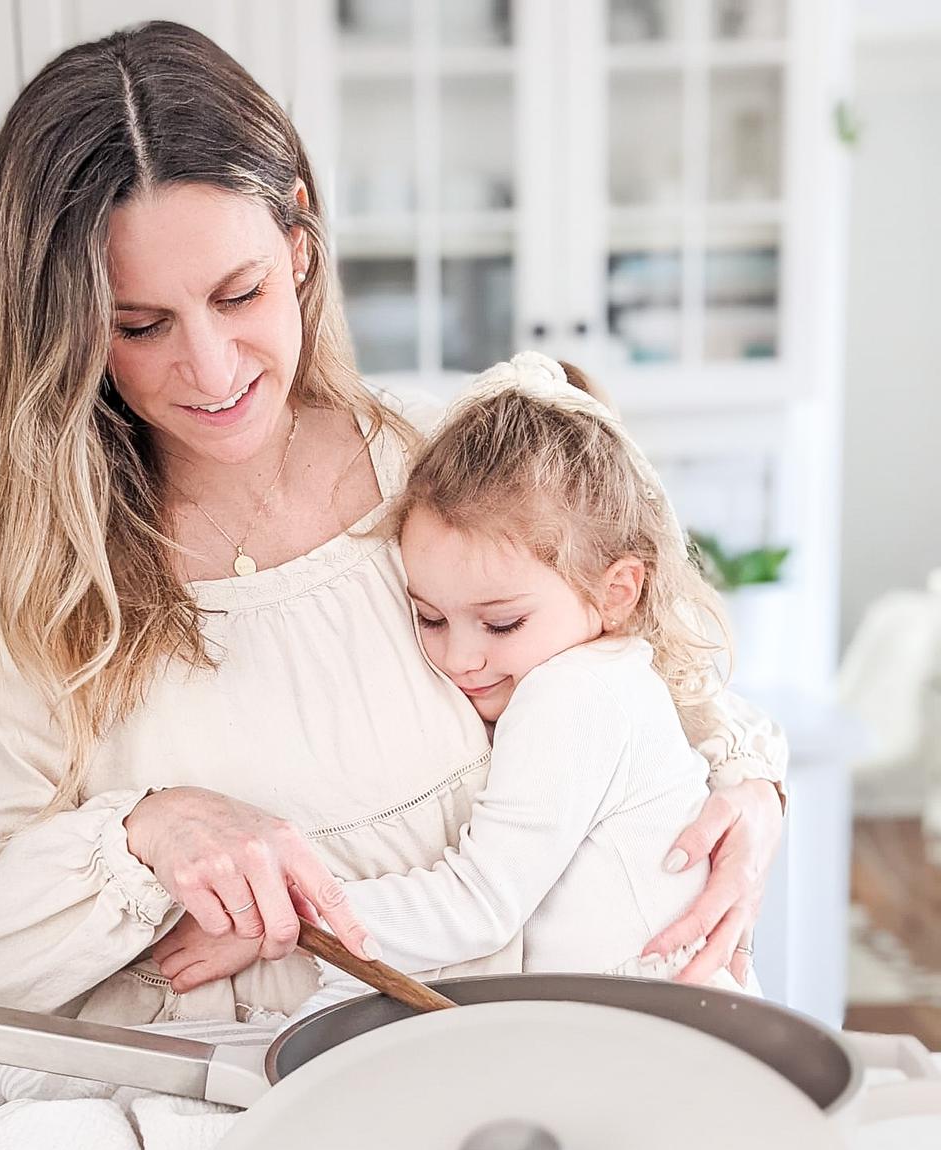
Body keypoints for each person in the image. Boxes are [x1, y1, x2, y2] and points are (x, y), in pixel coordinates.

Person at [0, 21, 787, 1035]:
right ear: (62, 330)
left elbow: (662, 675)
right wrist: (151, 827)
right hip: (236, 1121)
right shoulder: (24, 584)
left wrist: (755, 792)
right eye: (140, 325)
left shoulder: (448, 470)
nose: (211, 367)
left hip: (527, 1081)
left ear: (300, 242)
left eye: (238, 294)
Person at [152, 352, 754, 994]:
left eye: (501, 625)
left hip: (658, 1035)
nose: (461, 658)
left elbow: (480, 906)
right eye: (431, 619)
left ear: (617, 592)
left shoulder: (576, 692)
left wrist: (283, 924)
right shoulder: (599, 673)